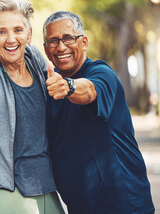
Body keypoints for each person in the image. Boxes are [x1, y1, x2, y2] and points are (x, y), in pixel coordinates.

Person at [44, 11, 155, 214]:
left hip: (123, 205)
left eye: (68, 38)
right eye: (53, 41)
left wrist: (68, 86)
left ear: (84, 42)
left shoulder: (102, 73)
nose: (61, 47)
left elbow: (89, 91)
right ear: (46, 49)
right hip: (80, 206)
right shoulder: (48, 83)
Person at [0, 0, 64, 214]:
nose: (11, 39)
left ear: (29, 34)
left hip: (44, 180)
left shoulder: (34, 58)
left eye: (18, 30)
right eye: (2, 32)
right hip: (6, 185)